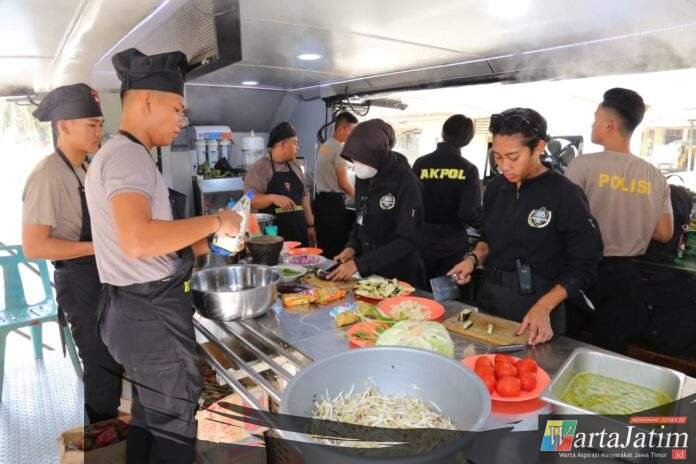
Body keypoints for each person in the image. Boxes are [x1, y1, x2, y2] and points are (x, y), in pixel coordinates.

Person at [85, 48, 242, 464]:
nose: (180, 121)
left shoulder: (121, 153)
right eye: (177, 109)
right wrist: (216, 220)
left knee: (149, 415)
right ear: (145, 101)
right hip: (148, 312)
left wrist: (211, 239)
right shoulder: (127, 156)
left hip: (132, 309)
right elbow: (138, 240)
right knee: (174, 428)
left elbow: (150, 244)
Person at [448, 108, 602, 345]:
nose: (504, 166)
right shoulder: (496, 188)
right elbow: (488, 240)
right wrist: (472, 259)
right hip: (491, 296)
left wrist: (544, 306)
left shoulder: (564, 193)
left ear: (539, 147)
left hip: (538, 304)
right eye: (498, 157)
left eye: (513, 157)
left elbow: (585, 263)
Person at [22, 83, 122, 423]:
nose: (99, 131)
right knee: (100, 365)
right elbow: (34, 246)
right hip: (78, 280)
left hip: (101, 272)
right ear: (64, 126)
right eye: (91, 124)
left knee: (114, 355)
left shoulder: (87, 166)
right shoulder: (47, 175)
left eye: (100, 124)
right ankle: (101, 438)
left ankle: (115, 434)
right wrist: (99, 247)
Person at [566, 88, 673, 353]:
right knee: (608, 353)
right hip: (625, 278)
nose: (592, 124)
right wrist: (631, 222)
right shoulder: (654, 175)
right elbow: (664, 232)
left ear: (609, 124)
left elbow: (563, 220)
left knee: (566, 347)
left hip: (581, 272)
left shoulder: (581, 165)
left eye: (595, 119)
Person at [328, 119, 426, 289]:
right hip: (372, 272)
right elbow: (361, 218)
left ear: (377, 154)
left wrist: (359, 264)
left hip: (400, 274)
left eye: (360, 160)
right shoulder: (364, 177)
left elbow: (407, 240)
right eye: (353, 160)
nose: (356, 166)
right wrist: (352, 246)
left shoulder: (406, 182)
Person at [412, 114, 482, 283]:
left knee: (418, 288)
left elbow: (411, 202)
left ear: (443, 132)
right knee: (445, 292)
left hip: (421, 238)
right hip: (452, 243)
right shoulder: (468, 169)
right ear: (468, 139)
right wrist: (489, 226)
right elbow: (468, 212)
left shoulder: (421, 163)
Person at [244, 122, 317, 246]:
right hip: (272, 239)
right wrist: (272, 198)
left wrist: (310, 225)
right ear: (283, 144)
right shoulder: (260, 167)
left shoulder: (296, 165)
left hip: (299, 234)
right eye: (295, 143)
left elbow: (304, 196)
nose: (298, 148)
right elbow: (249, 197)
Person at [313, 111, 358, 258]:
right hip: (333, 205)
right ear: (341, 129)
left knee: (324, 246)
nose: (352, 135)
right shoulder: (339, 148)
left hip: (320, 202)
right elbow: (343, 182)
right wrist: (358, 198)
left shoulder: (325, 145)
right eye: (351, 130)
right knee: (336, 248)